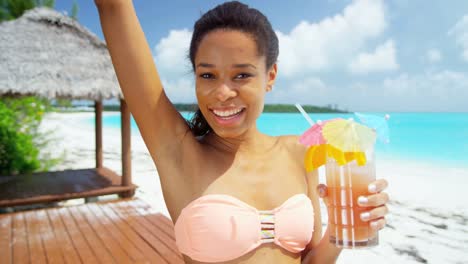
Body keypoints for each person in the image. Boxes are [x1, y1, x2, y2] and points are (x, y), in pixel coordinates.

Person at [95, 1, 389, 263]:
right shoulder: (180, 153)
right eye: (207, 75)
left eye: (242, 75)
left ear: (270, 76)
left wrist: (339, 229)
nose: (222, 93)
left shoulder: (299, 151)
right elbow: (113, 7)